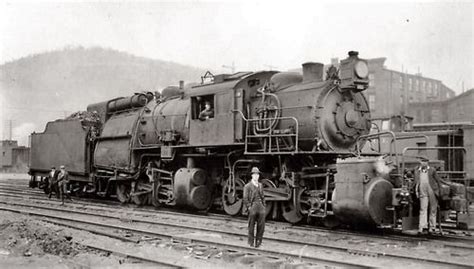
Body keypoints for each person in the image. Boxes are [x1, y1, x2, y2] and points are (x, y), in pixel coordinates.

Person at [414, 158, 449, 234]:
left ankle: (432, 227)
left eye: (425, 162)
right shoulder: (417, 171)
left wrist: (440, 191)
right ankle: (422, 227)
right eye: (422, 161)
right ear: (420, 162)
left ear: (427, 163)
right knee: (423, 209)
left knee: (433, 209)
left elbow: (438, 181)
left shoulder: (432, 170)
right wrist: (415, 190)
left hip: (432, 190)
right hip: (422, 191)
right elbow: (415, 182)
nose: (424, 163)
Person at [243, 167, 266, 248]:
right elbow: (245, 198)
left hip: (260, 206)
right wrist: (249, 207)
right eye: (254, 174)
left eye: (257, 175)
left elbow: (263, 196)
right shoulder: (247, 186)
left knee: (261, 226)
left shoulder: (260, 185)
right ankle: (251, 242)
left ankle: (259, 242)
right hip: (253, 206)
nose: (256, 176)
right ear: (252, 176)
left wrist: (263, 206)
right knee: (251, 225)